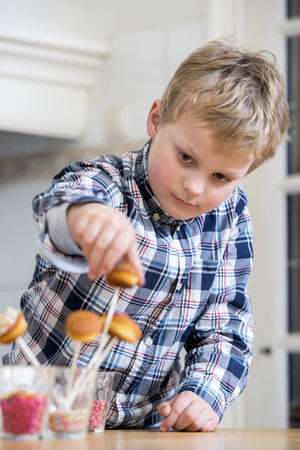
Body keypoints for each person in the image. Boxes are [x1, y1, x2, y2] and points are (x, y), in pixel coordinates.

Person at [2, 38, 290, 432]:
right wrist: (84, 219)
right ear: (156, 120)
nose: (195, 187)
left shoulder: (231, 217)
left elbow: (226, 322)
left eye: (220, 177)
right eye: (186, 158)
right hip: (38, 416)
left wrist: (204, 393)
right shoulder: (105, 184)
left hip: (144, 429)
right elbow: (60, 209)